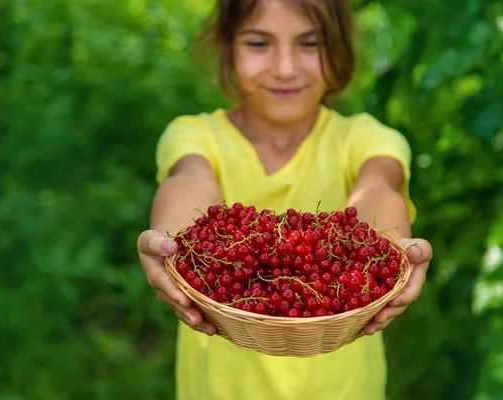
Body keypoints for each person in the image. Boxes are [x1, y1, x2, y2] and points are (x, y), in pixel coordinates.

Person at [137, 0, 433, 399]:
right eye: (259, 44)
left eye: (309, 44)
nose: (285, 67)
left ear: (339, 49)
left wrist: (388, 249)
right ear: (227, 47)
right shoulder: (195, 136)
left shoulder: (368, 140)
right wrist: (170, 240)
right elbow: (190, 182)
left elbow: (378, 189)